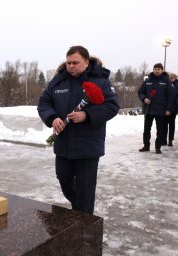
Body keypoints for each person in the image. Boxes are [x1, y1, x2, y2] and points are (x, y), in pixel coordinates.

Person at [37, 45, 119, 214]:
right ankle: (78, 209)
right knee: (64, 180)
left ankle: (85, 228)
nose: (71, 66)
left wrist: (87, 115)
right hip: (63, 144)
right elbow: (44, 103)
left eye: (75, 62)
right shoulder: (58, 81)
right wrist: (53, 118)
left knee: (85, 189)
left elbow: (112, 106)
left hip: (88, 146)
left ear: (86, 62)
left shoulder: (100, 80)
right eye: (68, 63)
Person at [138, 63, 174, 154]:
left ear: (162, 70)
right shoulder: (147, 80)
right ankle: (146, 146)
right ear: (153, 70)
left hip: (161, 110)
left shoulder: (166, 81)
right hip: (148, 110)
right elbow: (140, 92)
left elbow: (170, 96)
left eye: (159, 69)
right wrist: (144, 98)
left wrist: (168, 109)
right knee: (146, 129)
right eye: (155, 69)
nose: (157, 71)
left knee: (160, 130)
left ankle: (158, 147)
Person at [163, 72, 178, 146]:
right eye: (169, 78)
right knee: (164, 125)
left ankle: (170, 140)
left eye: (172, 78)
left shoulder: (177, 86)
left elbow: (177, 95)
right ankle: (163, 139)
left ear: (174, 78)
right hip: (165, 107)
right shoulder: (165, 84)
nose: (171, 79)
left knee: (171, 125)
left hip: (173, 108)